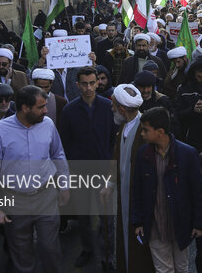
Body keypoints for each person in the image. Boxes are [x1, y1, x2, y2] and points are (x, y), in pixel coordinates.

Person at [0, 85, 70, 273]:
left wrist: (64, 186)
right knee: (22, 255)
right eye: (41, 107)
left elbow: (58, 154)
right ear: (25, 108)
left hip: (46, 196)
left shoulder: (47, 124)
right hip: (15, 201)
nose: (46, 111)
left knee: (50, 248)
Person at [131, 107, 202, 273]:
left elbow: (198, 192)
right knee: (163, 270)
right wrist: (137, 221)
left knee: (181, 268)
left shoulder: (187, 154)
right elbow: (137, 191)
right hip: (155, 227)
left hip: (180, 226)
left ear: (160, 132)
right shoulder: (142, 155)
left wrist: (199, 223)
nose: (142, 134)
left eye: (145, 130)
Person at [60, 66, 115, 268]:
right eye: (84, 84)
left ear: (98, 83)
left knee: (107, 218)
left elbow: (113, 140)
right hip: (80, 173)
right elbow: (64, 145)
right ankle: (88, 249)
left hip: (104, 172)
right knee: (84, 217)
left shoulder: (108, 107)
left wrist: (111, 167)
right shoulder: (69, 110)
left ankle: (107, 256)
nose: (89, 88)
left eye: (93, 83)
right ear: (77, 85)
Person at [100, 84, 155, 273]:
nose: (111, 107)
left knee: (138, 244)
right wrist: (109, 184)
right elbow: (117, 157)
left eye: (114, 104)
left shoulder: (144, 130)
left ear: (122, 109)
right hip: (123, 196)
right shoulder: (123, 125)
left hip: (138, 199)